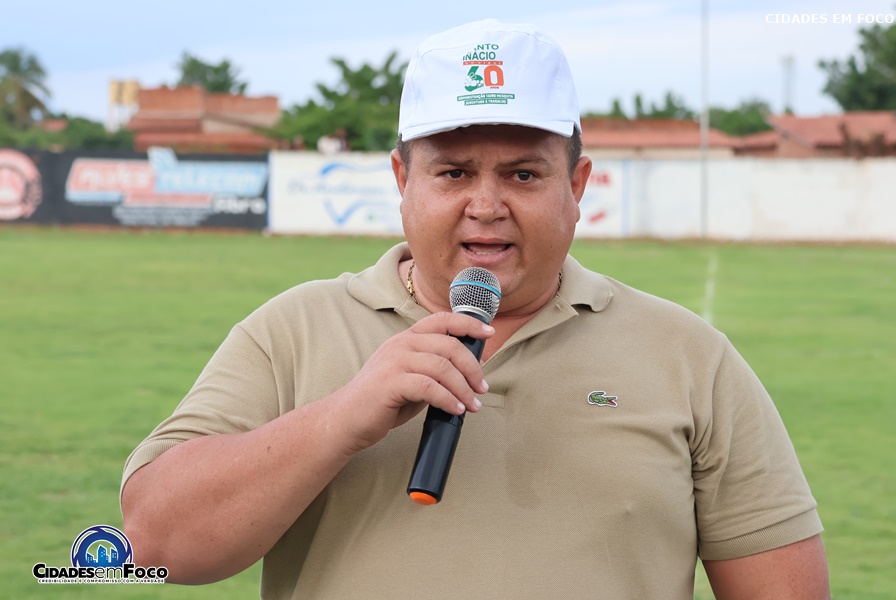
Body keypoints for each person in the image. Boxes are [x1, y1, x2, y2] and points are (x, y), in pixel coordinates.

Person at [121, 19, 830, 599]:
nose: (486, 206)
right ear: (403, 181)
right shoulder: (292, 330)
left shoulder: (689, 355)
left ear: (576, 186)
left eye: (523, 173)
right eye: (453, 172)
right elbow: (150, 547)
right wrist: (343, 417)